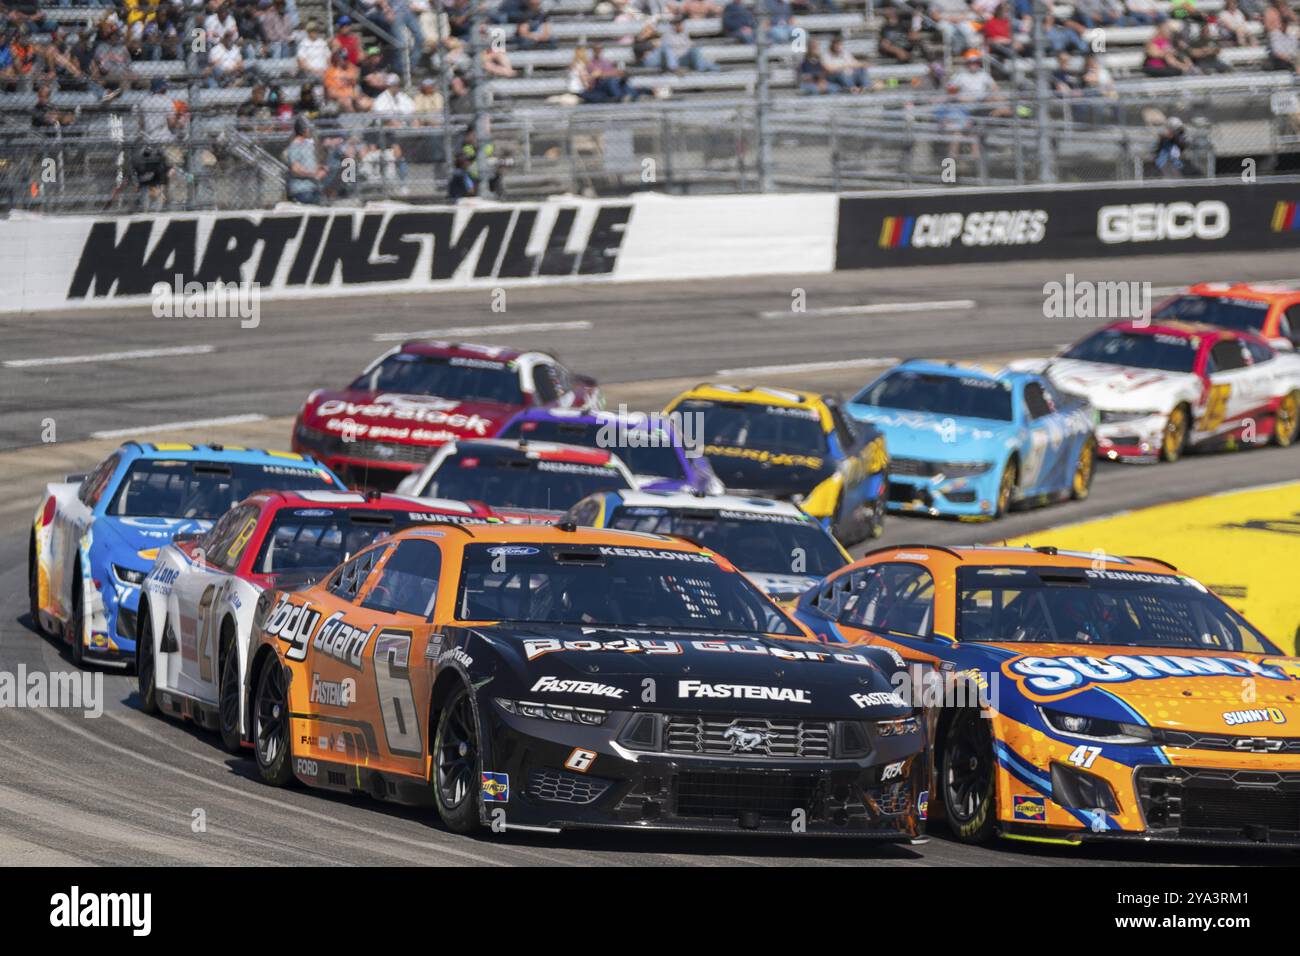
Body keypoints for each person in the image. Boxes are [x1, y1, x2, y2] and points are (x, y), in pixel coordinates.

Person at [286, 117, 325, 203]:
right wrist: (313, 175)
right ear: (303, 130)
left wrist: (321, 168)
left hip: (313, 187)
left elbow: (310, 164)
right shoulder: (295, 146)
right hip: (301, 190)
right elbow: (295, 169)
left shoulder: (308, 144)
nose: (310, 131)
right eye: (308, 129)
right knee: (317, 203)